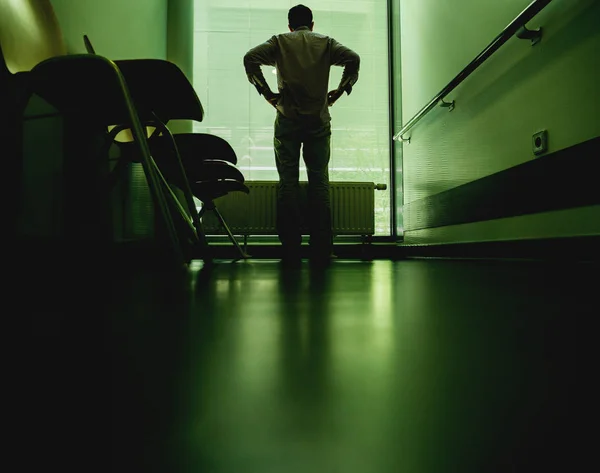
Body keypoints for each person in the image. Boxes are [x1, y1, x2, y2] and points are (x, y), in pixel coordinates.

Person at [243, 4, 360, 265]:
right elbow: (353, 59)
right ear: (312, 24)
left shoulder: (279, 42)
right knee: (319, 181)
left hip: (287, 119)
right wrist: (341, 90)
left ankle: (291, 246)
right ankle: (321, 246)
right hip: (318, 120)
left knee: (288, 182)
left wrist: (267, 93)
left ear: (289, 25)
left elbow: (250, 58)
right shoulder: (326, 43)